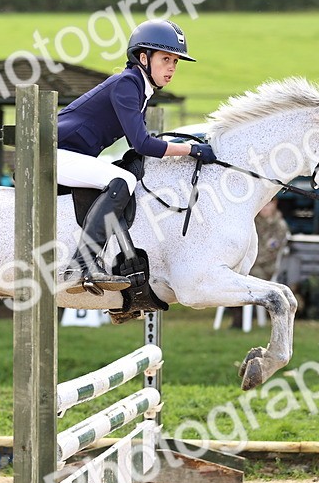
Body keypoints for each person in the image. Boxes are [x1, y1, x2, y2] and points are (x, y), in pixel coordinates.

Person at [55, 19, 216, 295]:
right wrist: (191, 149)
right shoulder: (127, 84)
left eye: (176, 62)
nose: (171, 68)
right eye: (165, 59)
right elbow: (142, 143)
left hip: (69, 153)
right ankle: (82, 264)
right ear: (143, 57)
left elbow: (139, 143)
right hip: (53, 153)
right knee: (123, 180)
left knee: (124, 176)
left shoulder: (139, 89)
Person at [222, 199, 290, 328]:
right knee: (229, 276)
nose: (265, 208)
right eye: (263, 204)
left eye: (268, 204)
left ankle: (240, 316)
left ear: (274, 205)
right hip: (249, 265)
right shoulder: (253, 223)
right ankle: (237, 314)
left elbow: (271, 252)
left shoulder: (279, 226)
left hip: (265, 268)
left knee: (241, 277)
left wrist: (248, 261)